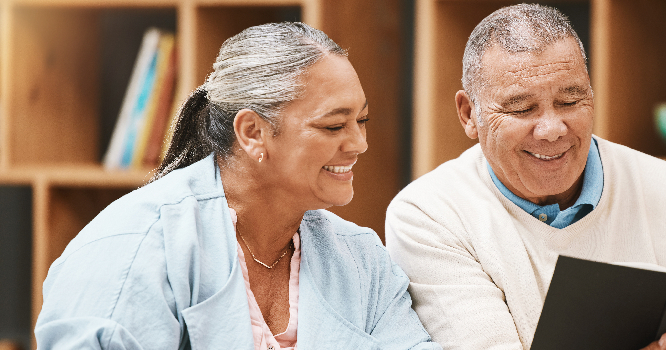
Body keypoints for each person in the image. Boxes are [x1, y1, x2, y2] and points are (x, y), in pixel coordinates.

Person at [35, 23, 439, 350]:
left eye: (361, 121)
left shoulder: (361, 258)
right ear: (253, 132)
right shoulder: (133, 247)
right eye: (334, 125)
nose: (359, 144)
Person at [385, 4, 666, 350]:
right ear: (468, 114)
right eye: (522, 109)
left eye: (571, 101)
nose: (552, 129)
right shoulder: (429, 216)